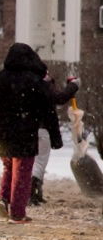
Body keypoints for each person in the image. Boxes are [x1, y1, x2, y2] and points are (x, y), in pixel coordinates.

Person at [0, 43, 59, 224]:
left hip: (2, 134)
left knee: (9, 167)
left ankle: (3, 198)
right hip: (25, 133)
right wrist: (55, 137)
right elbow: (49, 109)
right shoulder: (34, 82)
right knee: (23, 171)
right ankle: (17, 213)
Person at [30, 68, 80, 205]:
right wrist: (74, 86)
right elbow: (60, 98)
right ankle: (33, 191)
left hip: (25, 128)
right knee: (40, 161)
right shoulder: (43, 85)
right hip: (42, 128)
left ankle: (31, 191)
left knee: (29, 161)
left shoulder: (23, 82)